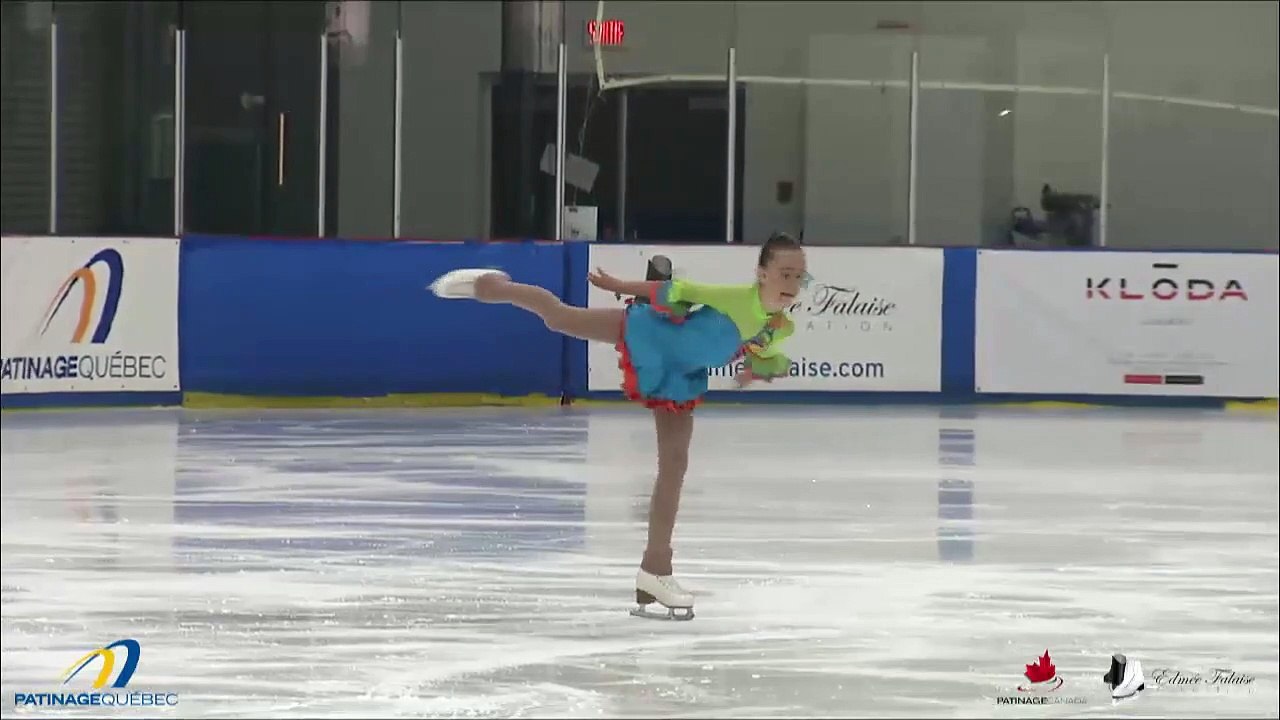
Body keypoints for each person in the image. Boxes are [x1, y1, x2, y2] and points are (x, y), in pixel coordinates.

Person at [427, 233, 808, 620]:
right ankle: (491, 284)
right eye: (785, 274)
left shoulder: (780, 326)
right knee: (561, 317)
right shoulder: (736, 298)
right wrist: (617, 286)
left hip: (679, 374)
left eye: (799, 277)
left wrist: (754, 373)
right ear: (762, 274)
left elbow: (767, 357)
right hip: (648, 333)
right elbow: (676, 288)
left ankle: (655, 570)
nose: (792, 286)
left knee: (674, 469)